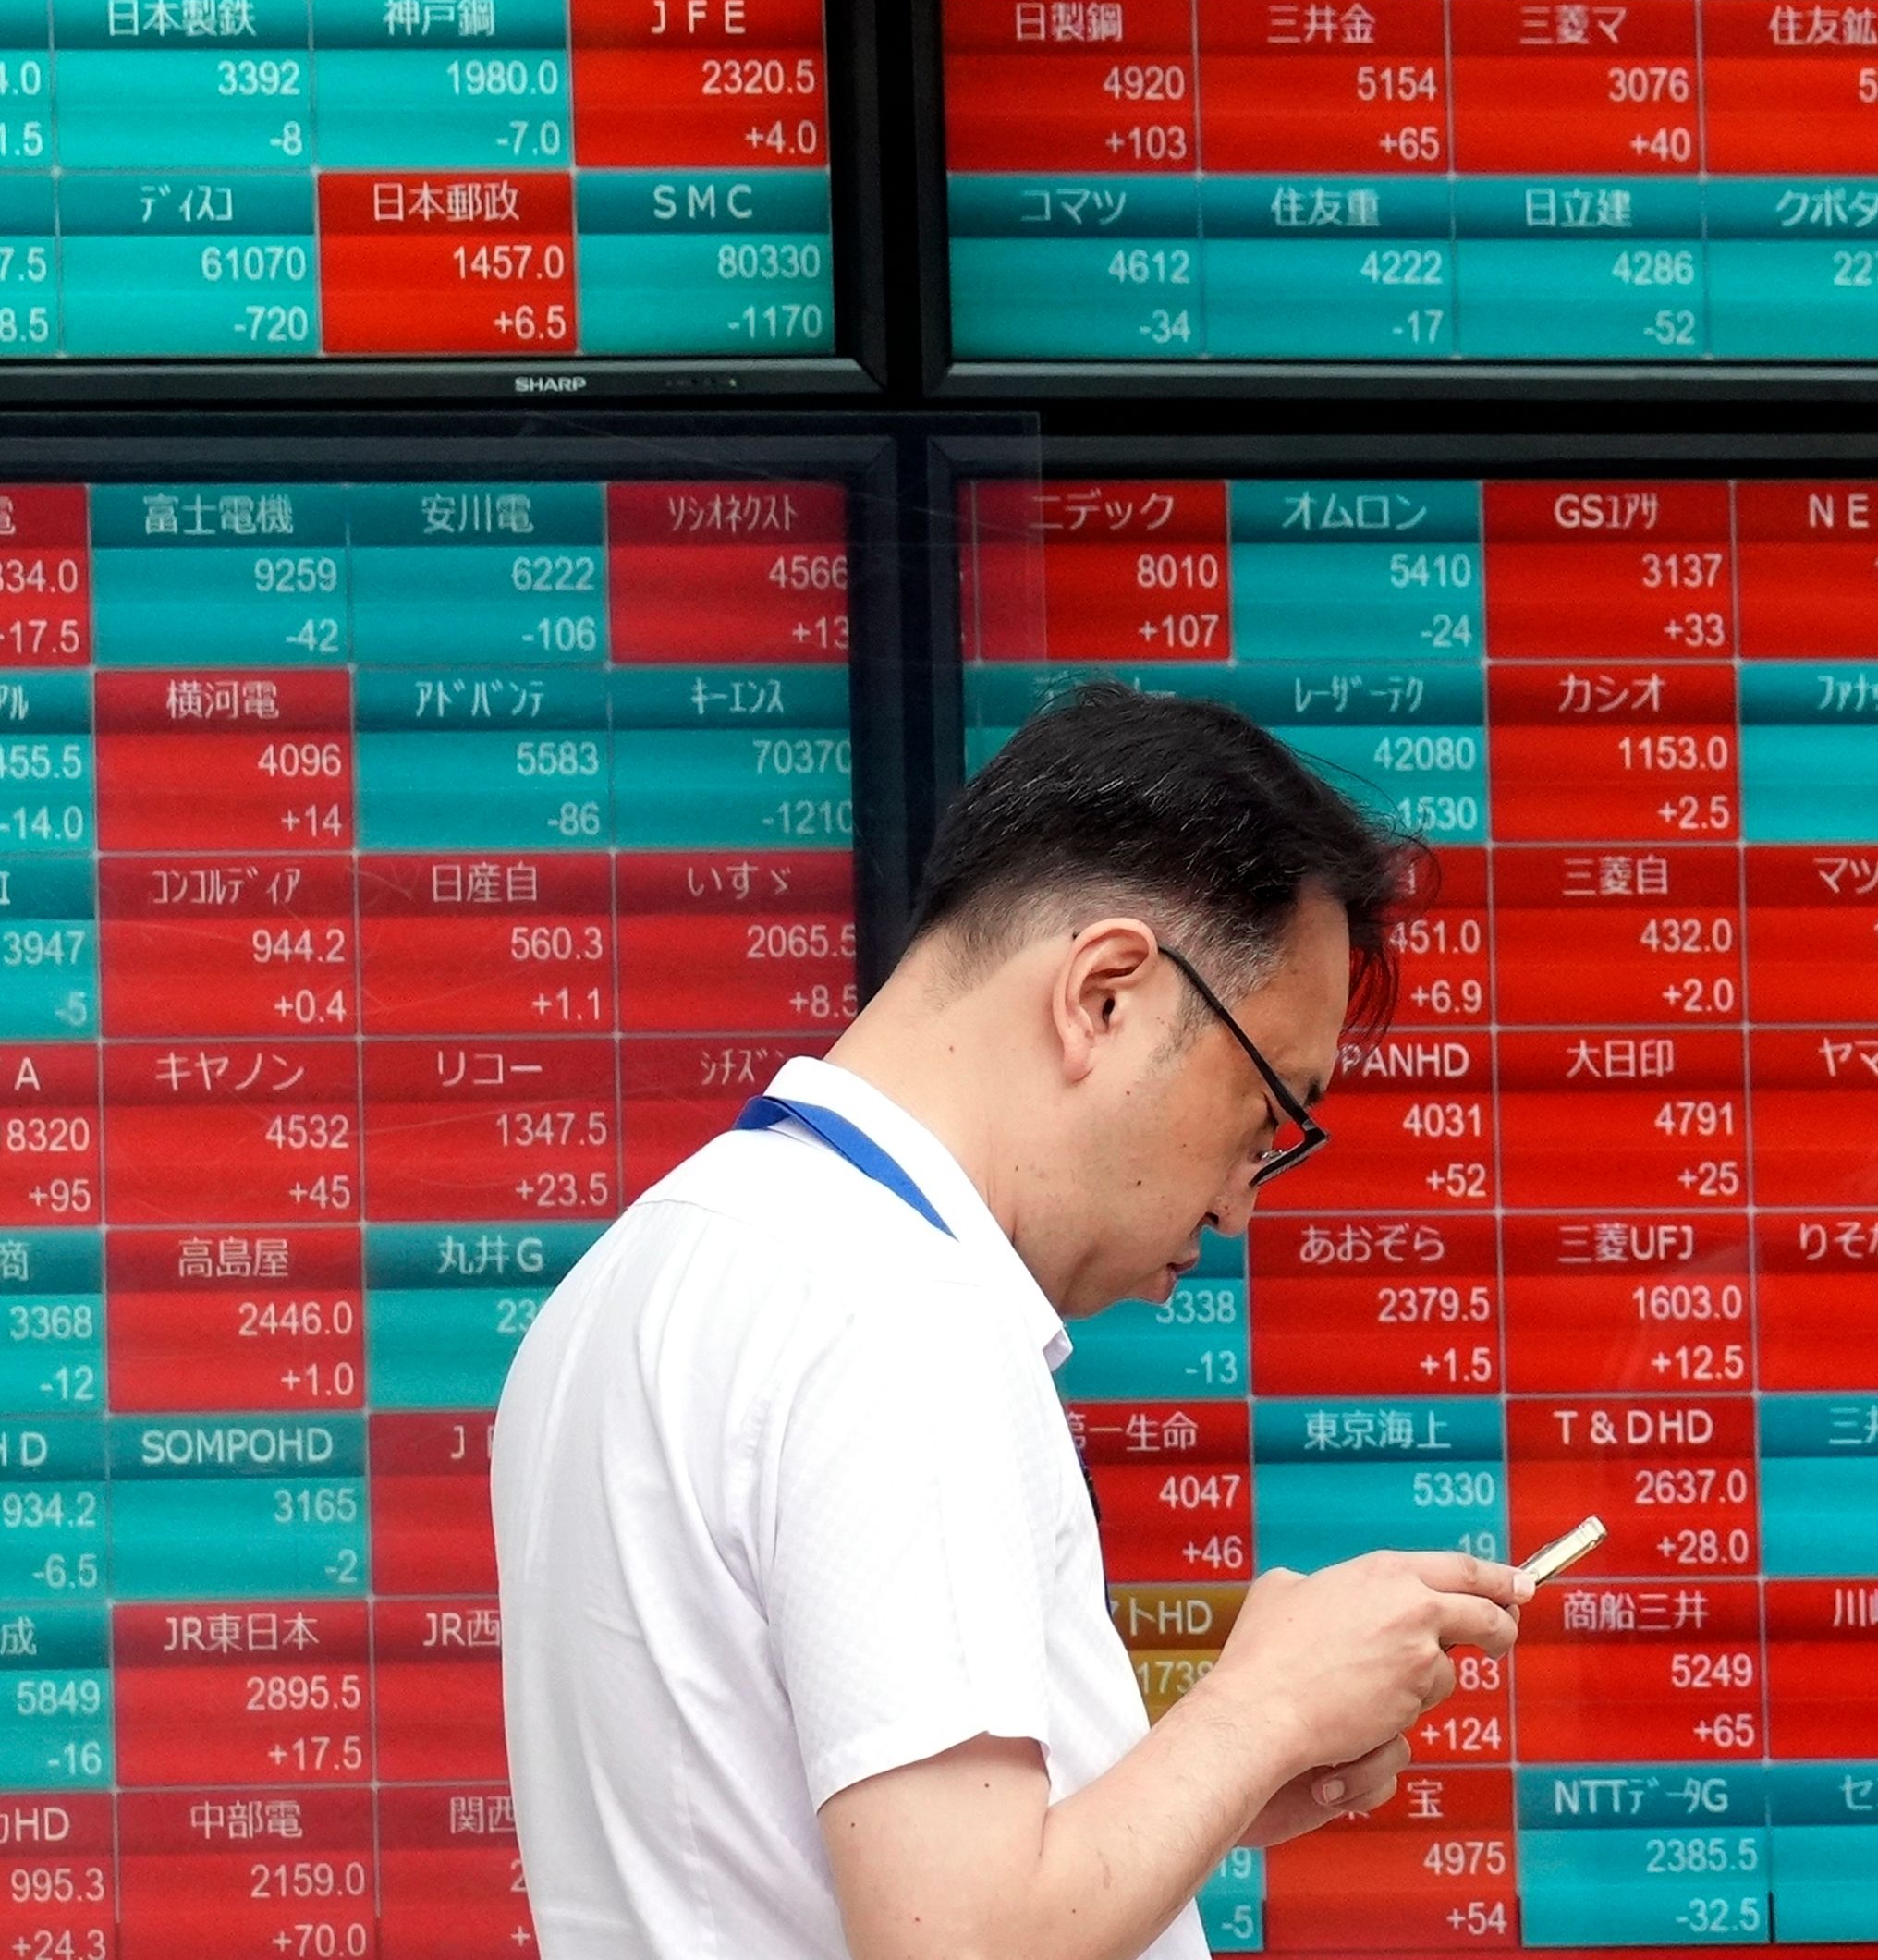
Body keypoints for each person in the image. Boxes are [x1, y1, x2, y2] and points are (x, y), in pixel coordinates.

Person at [491, 681, 1532, 1960]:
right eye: (1269, 1117)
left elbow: (797, 1844)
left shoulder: (648, 1269)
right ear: (1105, 993)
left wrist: (1216, 1789)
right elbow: (963, 1943)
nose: (1238, 1209)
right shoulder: (894, 1311)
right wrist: (1259, 1711)